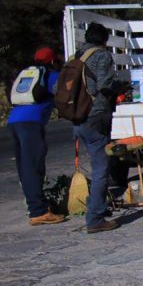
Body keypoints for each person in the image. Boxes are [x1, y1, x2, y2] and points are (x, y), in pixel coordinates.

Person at [7, 47, 66, 226]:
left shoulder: (27, 74)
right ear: (52, 61)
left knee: (25, 168)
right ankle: (39, 212)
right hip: (31, 124)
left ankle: (35, 208)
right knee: (34, 167)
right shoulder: (50, 75)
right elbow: (65, 93)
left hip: (13, 122)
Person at [73, 22, 121, 234]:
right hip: (96, 115)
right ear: (104, 39)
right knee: (102, 168)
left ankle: (97, 207)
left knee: (96, 162)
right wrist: (119, 88)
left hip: (77, 117)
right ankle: (95, 219)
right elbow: (104, 84)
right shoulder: (102, 55)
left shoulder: (76, 57)